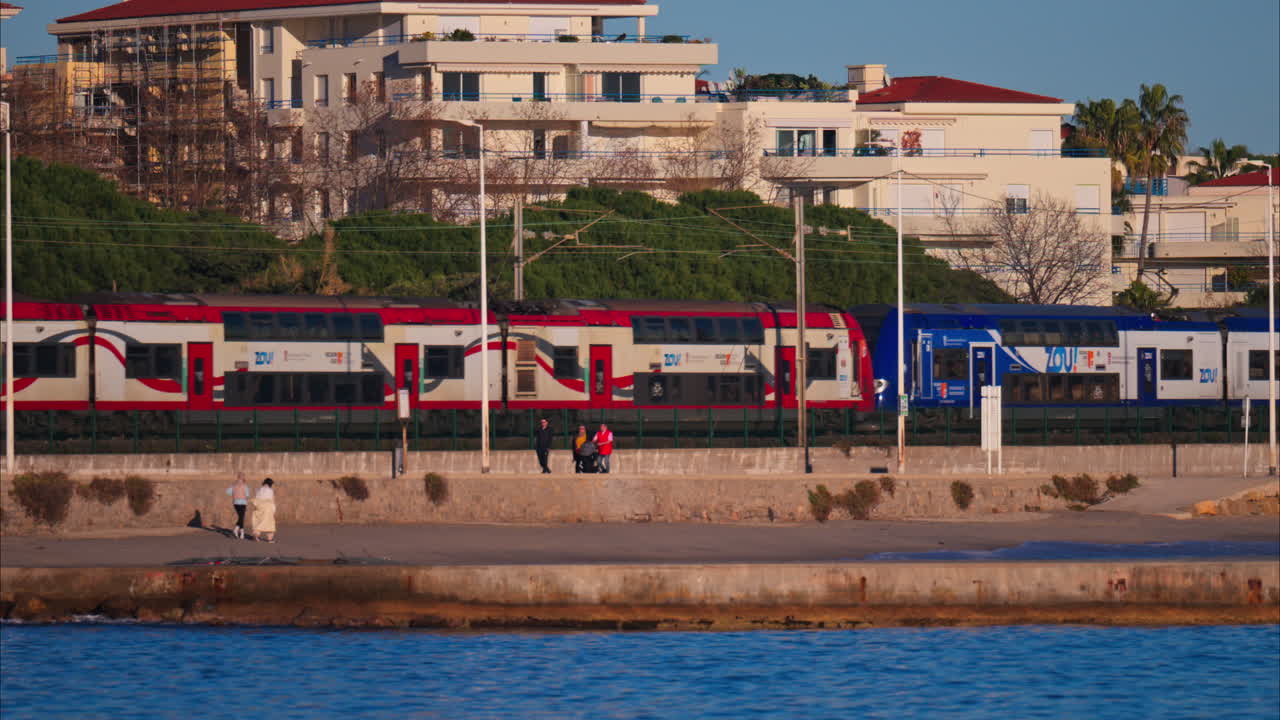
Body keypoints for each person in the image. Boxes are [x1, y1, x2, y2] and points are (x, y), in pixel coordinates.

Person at [251, 478, 277, 543]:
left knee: (259, 521)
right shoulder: (270, 490)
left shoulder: (258, 489)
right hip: (268, 507)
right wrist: (274, 509)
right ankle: (270, 539)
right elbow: (272, 500)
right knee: (270, 523)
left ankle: (256, 534)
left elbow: (256, 498)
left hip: (259, 506)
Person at [226, 472, 250, 539]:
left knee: (241, 517)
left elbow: (228, 492)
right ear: (243, 477)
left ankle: (239, 532)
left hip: (236, 502)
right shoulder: (245, 485)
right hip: (243, 503)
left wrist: (234, 494)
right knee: (241, 517)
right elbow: (247, 495)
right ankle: (238, 531)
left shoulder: (233, 485)